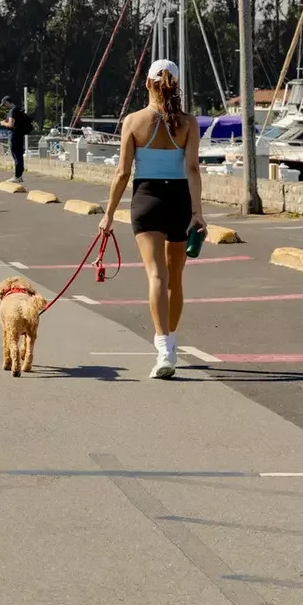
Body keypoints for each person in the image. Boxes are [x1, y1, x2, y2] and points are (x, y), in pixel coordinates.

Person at [98, 59, 204, 380]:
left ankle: (163, 350)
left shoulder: (134, 121)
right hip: (180, 202)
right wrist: (197, 212)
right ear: (175, 84)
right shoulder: (189, 123)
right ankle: (171, 344)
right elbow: (193, 169)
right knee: (175, 279)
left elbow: (122, 173)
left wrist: (108, 214)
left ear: (147, 84)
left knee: (156, 277)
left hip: (146, 201)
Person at [2, 97, 35, 181]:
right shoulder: (19, 109)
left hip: (14, 135)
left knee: (16, 155)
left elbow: (11, 124)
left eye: (4, 104)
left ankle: (17, 176)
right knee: (19, 155)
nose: (4, 106)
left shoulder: (13, 111)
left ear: (7, 102)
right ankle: (19, 175)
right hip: (20, 135)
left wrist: (3, 123)